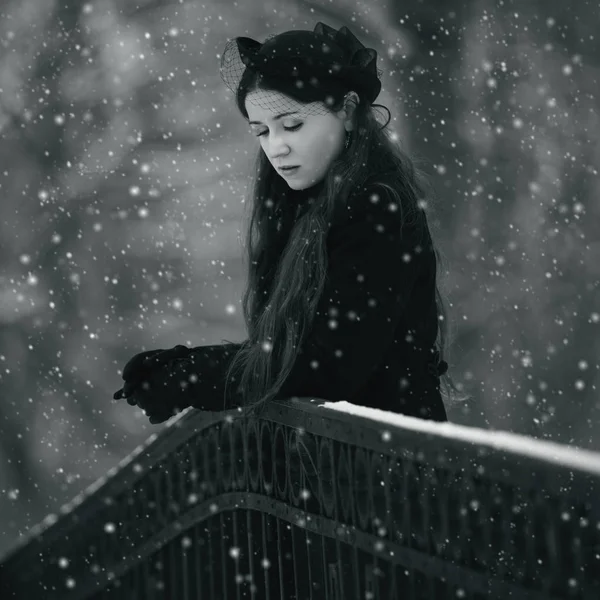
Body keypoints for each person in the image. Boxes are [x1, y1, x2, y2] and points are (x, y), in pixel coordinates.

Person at [113, 22, 468, 424]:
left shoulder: (377, 206)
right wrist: (187, 365)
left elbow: (327, 366)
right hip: (344, 463)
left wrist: (193, 376)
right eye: (261, 131)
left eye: (293, 124)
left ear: (348, 111)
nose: (276, 147)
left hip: (385, 470)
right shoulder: (304, 206)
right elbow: (293, 352)